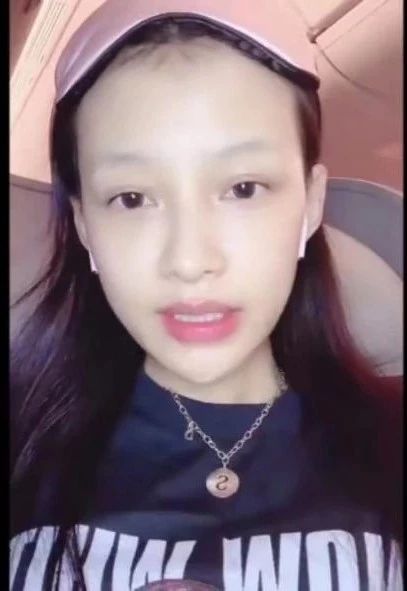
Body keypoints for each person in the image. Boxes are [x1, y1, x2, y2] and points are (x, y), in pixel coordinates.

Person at [10, 1, 402, 589]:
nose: (190, 262)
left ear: (310, 205)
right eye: (132, 199)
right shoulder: (22, 440)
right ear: (86, 227)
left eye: (243, 188)